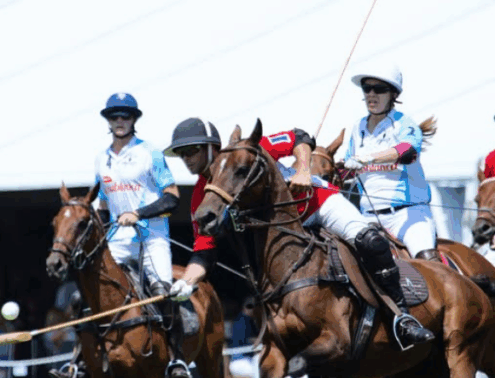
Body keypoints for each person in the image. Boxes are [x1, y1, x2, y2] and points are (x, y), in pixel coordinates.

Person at [164, 118, 433, 350]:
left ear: (212, 147)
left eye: (191, 151)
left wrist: (303, 169)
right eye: (181, 154)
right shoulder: (202, 194)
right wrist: (186, 282)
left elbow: (300, 137)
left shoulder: (254, 150)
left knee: (369, 240)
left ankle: (403, 317)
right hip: (287, 236)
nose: (186, 159)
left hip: (319, 203)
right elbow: (204, 249)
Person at [58, 92, 193, 378]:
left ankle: (176, 358)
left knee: (161, 291)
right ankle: (78, 364)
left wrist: (139, 213)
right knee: (88, 296)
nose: (120, 121)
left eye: (126, 116)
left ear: (134, 120)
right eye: (114, 116)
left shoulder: (151, 153)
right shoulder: (101, 159)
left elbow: (172, 197)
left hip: (152, 235)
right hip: (117, 239)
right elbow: (103, 205)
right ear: (108, 121)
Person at [341, 65, 440, 262]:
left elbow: (408, 151)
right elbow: (349, 170)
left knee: (427, 259)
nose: (371, 94)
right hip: (367, 217)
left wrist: (370, 157)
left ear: (393, 94)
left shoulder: (404, 123)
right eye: (367, 88)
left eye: (379, 89)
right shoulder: (357, 127)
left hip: (408, 215)